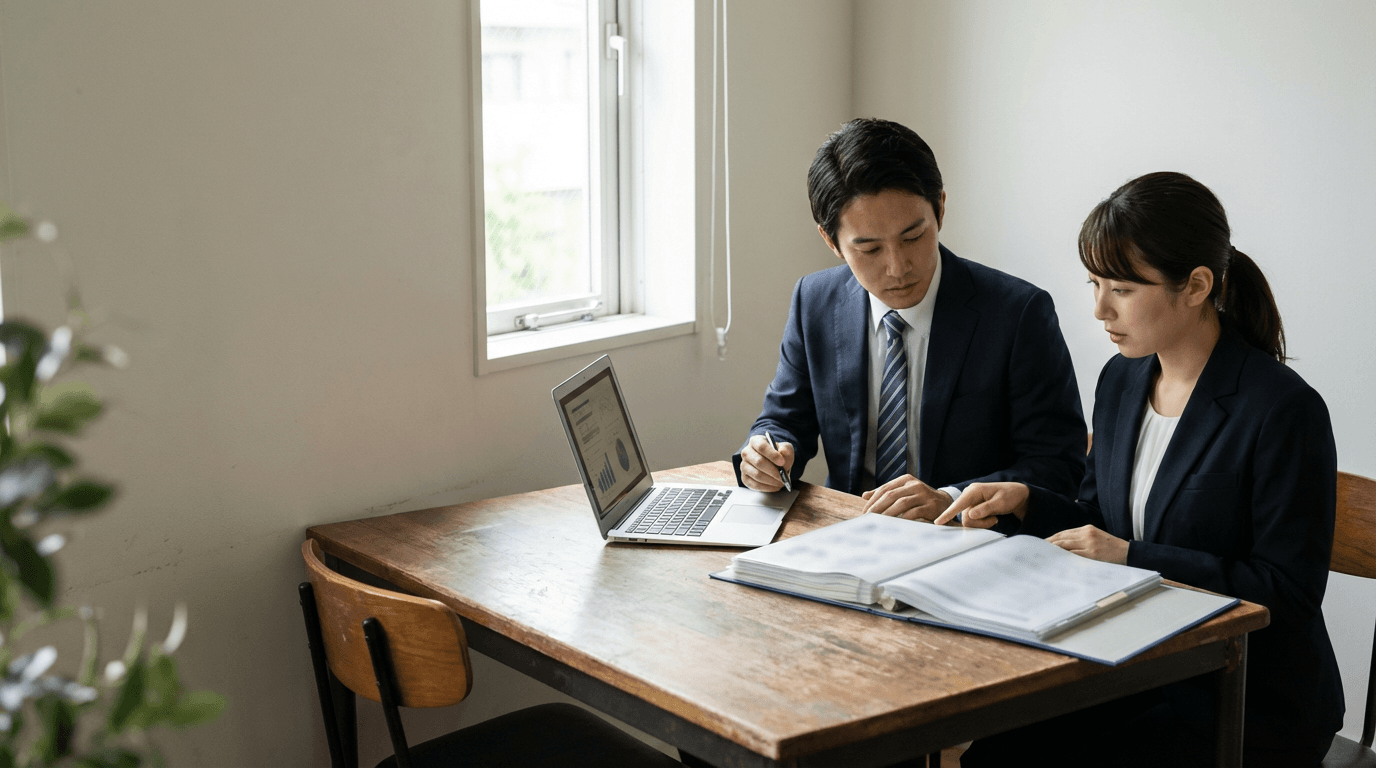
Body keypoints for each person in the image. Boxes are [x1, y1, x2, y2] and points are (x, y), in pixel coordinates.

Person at [942, 171, 1343, 766]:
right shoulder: (1122, 378)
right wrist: (1027, 502)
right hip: (1137, 661)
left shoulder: (1282, 409)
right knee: (995, 754)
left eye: (1123, 289)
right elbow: (1102, 520)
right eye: (1095, 283)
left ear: (1197, 285)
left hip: (1243, 698)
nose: (1099, 309)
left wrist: (1133, 558)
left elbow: (1287, 592)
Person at [733, 118, 1086, 521]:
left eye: (913, 237)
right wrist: (766, 454)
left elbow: (1059, 466)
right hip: (849, 531)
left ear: (940, 209)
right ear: (831, 241)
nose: (898, 268)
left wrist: (951, 500)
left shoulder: (1018, 313)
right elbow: (783, 420)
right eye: (870, 249)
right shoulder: (814, 301)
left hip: (967, 539)